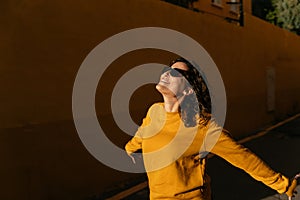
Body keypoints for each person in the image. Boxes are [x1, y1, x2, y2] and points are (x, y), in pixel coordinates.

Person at [125, 57, 297, 200]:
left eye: (176, 73)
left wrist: (284, 185)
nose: (167, 73)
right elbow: (143, 133)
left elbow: (243, 157)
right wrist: (130, 148)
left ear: (188, 91)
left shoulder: (202, 126)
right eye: (166, 70)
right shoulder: (154, 111)